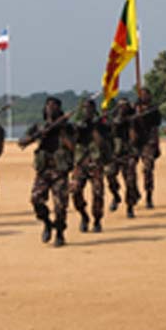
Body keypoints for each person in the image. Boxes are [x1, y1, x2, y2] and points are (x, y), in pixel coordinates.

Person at [19, 97, 74, 247]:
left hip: (59, 170)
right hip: (43, 171)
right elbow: (21, 142)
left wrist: (62, 130)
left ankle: (60, 234)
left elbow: (73, 147)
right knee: (36, 199)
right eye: (48, 105)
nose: (51, 108)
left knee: (60, 206)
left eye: (55, 105)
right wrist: (37, 135)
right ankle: (48, 223)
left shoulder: (67, 127)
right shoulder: (38, 126)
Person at [70, 99, 111, 233]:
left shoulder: (101, 125)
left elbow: (103, 143)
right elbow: (72, 142)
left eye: (89, 108)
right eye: (84, 108)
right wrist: (78, 129)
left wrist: (94, 128)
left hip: (96, 163)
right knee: (75, 191)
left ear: (94, 110)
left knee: (98, 193)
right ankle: (84, 215)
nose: (87, 111)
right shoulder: (79, 125)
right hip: (80, 163)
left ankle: (97, 220)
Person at [106, 98, 141, 218]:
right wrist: (116, 123)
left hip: (129, 154)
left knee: (130, 181)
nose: (123, 109)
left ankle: (130, 207)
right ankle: (116, 196)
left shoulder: (134, 120)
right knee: (110, 175)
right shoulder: (113, 119)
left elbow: (135, 139)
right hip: (115, 154)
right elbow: (109, 135)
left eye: (125, 106)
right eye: (120, 107)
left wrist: (130, 123)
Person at [133, 88, 162, 209]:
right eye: (142, 94)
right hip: (134, 143)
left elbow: (157, 121)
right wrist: (136, 112)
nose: (144, 97)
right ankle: (133, 192)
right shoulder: (133, 107)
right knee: (128, 169)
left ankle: (149, 195)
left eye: (146, 94)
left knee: (148, 169)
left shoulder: (154, 109)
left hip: (148, 142)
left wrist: (145, 112)